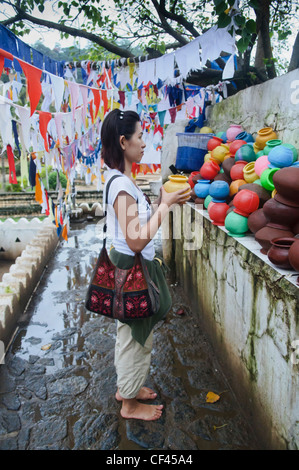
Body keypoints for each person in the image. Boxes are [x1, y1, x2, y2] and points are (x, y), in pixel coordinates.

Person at [101, 109, 191, 421]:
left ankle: (130, 387)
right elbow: (137, 240)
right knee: (134, 339)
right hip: (131, 268)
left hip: (130, 267)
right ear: (124, 142)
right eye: (140, 137)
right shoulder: (121, 185)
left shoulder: (123, 181)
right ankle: (128, 404)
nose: (144, 143)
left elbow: (136, 223)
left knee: (131, 332)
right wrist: (165, 206)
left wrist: (161, 202)